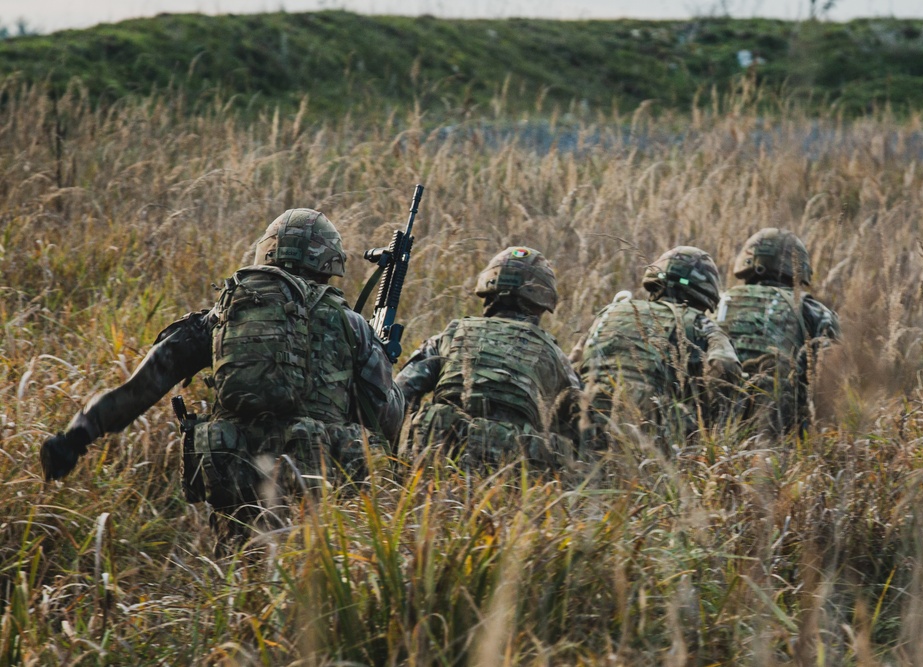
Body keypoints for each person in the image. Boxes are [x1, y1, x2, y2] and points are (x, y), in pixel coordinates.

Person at [40, 208, 404, 538]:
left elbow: (141, 388)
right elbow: (386, 420)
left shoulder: (222, 317)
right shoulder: (351, 325)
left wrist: (76, 437)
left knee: (241, 585)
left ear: (268, 252)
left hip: (236, 484)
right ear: (328, 262)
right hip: (319, 501)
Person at [395, 246, 580, 466]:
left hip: (436, 463)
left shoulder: (451, 334)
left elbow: (399, 396)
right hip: (511, 474)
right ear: (540, 301)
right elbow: (582, 424)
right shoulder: (553, 353)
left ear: (488, 291)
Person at [573, 246, 742, 452]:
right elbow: (725, 365)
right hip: (651, 436)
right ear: (705, 291)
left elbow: (573, 365)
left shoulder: (611, 311)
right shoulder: (699, 322)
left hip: (585, 425)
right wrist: (713, 421)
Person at [715, 228, 841, 438]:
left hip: (715, 423)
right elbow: (833, 377)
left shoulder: (718, 302)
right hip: (779, 429)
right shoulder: (813, 310)